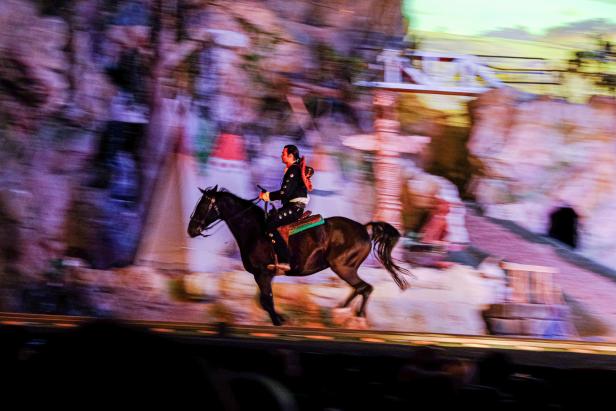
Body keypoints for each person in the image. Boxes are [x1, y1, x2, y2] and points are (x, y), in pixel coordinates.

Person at [259, 145, 313, 271]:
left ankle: (285, 260)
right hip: (292, 206)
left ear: (290, 156)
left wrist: (268, 196)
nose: (281, 155)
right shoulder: (293, 169)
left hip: (294, 208)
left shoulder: (293, 170)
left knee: (269, 224)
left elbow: (285, 193)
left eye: (283, 153)